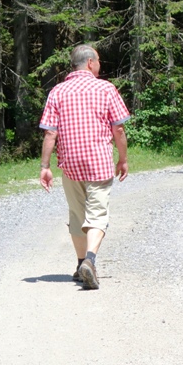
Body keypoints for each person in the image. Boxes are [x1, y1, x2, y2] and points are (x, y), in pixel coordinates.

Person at [39, 44, 130, 290]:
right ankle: (89, 261)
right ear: (90, 62)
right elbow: (118, 128)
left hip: (69, 164)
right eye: (98, 60)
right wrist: (123, 159)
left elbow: (50, 132)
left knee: (77, 215)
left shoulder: (57, 91)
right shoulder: (106, 88)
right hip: (99, 162)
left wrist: (45, 166)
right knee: (97, 215)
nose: (100, 64)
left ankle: (80, 264)